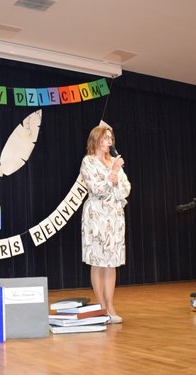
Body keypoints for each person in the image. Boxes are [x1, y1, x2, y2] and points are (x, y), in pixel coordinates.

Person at [80, 123, 131, 324]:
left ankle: (110, 306)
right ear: (96, 140)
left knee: (111, 261)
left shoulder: (113, 162)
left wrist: (116, 179)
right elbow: (96, 188)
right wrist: (113, 176)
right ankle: (101, 307)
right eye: (106, 138)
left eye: (111, 138)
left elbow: (126, 188)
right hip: (96, 215)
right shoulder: (88, 162)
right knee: (98, 260)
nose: (109, 142)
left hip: (114, 215)